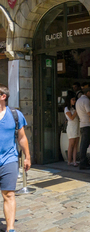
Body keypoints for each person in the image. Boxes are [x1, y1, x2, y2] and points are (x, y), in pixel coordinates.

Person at [0, 84, 31, 232]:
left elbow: (22, 138)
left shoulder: (15, 115)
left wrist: (27, 157)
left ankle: (10, 229)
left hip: (9, 160)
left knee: (9, 194)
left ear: (3, 97)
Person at [76, 87, 90, 170]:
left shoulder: (79, 100)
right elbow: (89, 112)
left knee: (83, 144)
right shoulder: (86, 100)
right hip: (87, 124)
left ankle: (84, 162)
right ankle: (83, 163)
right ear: (88, 93)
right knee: (84, 145)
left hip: (82, 124)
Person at [65, 96, 80, 166]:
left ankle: (74, 161)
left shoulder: (73, 108)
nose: (74, 101)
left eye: (75, 100)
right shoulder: (66, 109)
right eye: (73, 99)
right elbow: (71, 118)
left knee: (76, 145)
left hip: (77, 126)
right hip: (71, 128)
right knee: (71, 144)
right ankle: (69, 160)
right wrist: (77, 111)